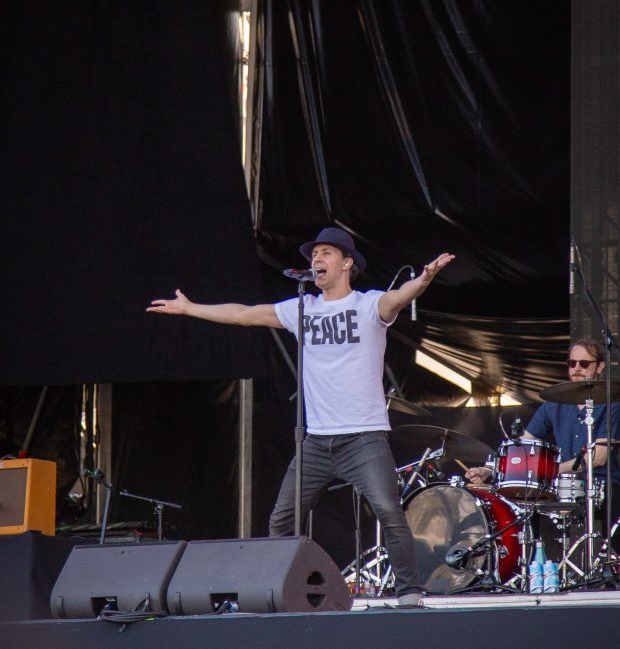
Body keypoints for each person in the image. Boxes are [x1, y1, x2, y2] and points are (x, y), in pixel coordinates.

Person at [148, 226, 454, 605]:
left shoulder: (367, 306)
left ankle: (409, 591)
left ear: (346, 264)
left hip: (364, 437)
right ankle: (278, 591)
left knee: (389, 511)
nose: (316, 260)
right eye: (313, 255)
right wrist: (190, 308)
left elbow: (397, 298)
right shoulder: (302, 309)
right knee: (281, 519)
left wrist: (423, 279)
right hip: (317, 441)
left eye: (326, 253)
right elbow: (244, 314)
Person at [466, 338, 620, 531]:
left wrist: (552, 470)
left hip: (603, 486)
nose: (577, 368)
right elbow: (521, 447)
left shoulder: (611, 403)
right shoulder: (554, 404)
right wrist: (490, 469)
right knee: (524, 506)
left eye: (584, 363)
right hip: (564, 486)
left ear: (600, 367)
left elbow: (599, 457)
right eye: (572, 364)